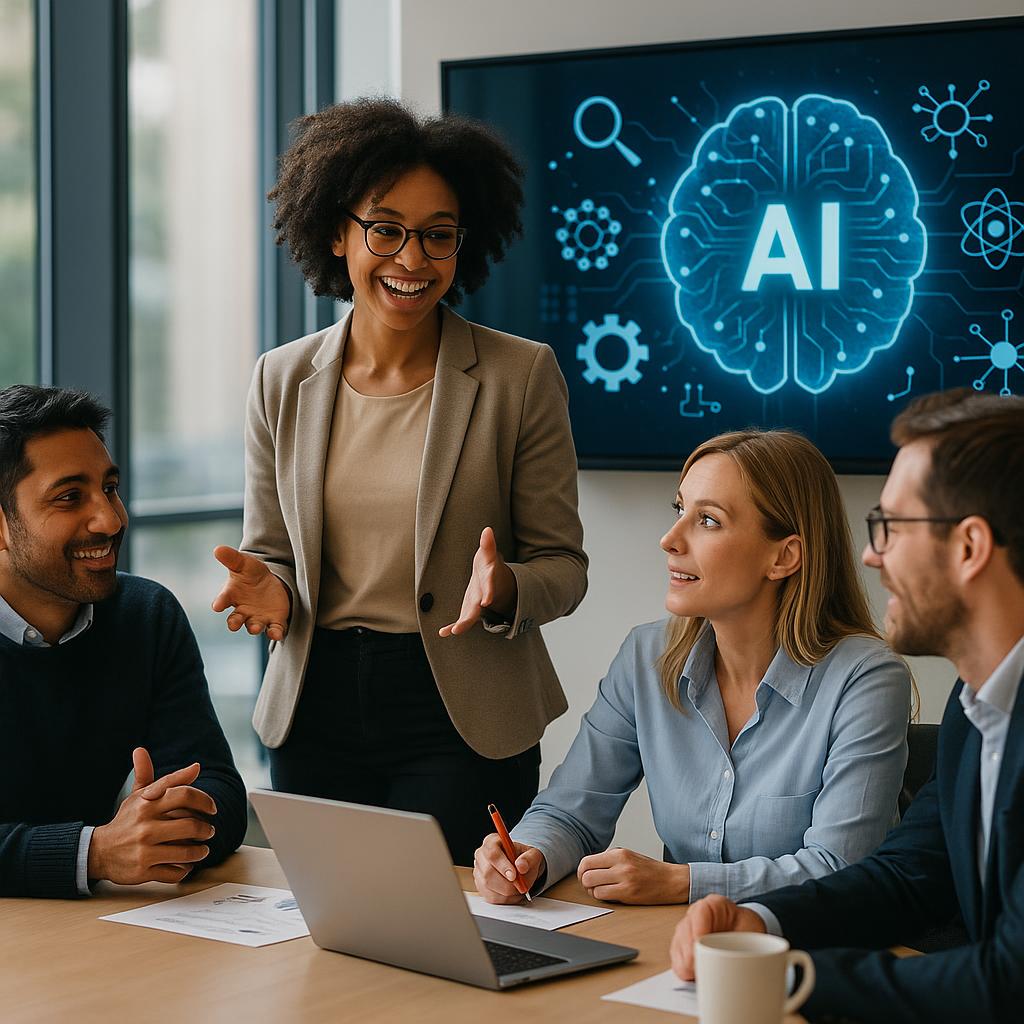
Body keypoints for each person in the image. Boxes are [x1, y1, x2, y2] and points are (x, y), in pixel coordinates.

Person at [211, 98, 587, 865]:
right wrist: (273, 590)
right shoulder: (280, 380)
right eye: (386, 229)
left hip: (459, 709)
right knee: (332, 939)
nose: (412, 260)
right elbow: (274, 553)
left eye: (438, 236)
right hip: (314, 702)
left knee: (456, 941)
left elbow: (564, 567)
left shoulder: (520, 376)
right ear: (337, 233)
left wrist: (506, 588)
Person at [669, 390, 1024, 1023]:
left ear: (969, 547)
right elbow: (908, 874)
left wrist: (788, 980)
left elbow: (1008, 982)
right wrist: (761, 919)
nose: (869, 554)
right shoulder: (977, 711)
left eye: (890, 527)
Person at [474, 429, 912, 906]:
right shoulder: (646, 657)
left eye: (707, 520)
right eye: (679, 510)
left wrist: (682, 882)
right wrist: (527, 853)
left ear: (783, 556)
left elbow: (838, 868)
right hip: (684, 954)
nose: (669, 539)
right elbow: (570, 812)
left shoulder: (865, 678)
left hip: (815, 958)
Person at [0, 385, 246, 898]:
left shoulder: (145, 615)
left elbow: (219, 789)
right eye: (70, 497)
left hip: (103, 936)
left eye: (109, 488)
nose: (110, 520)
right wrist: (96, 851)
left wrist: (167, 823)